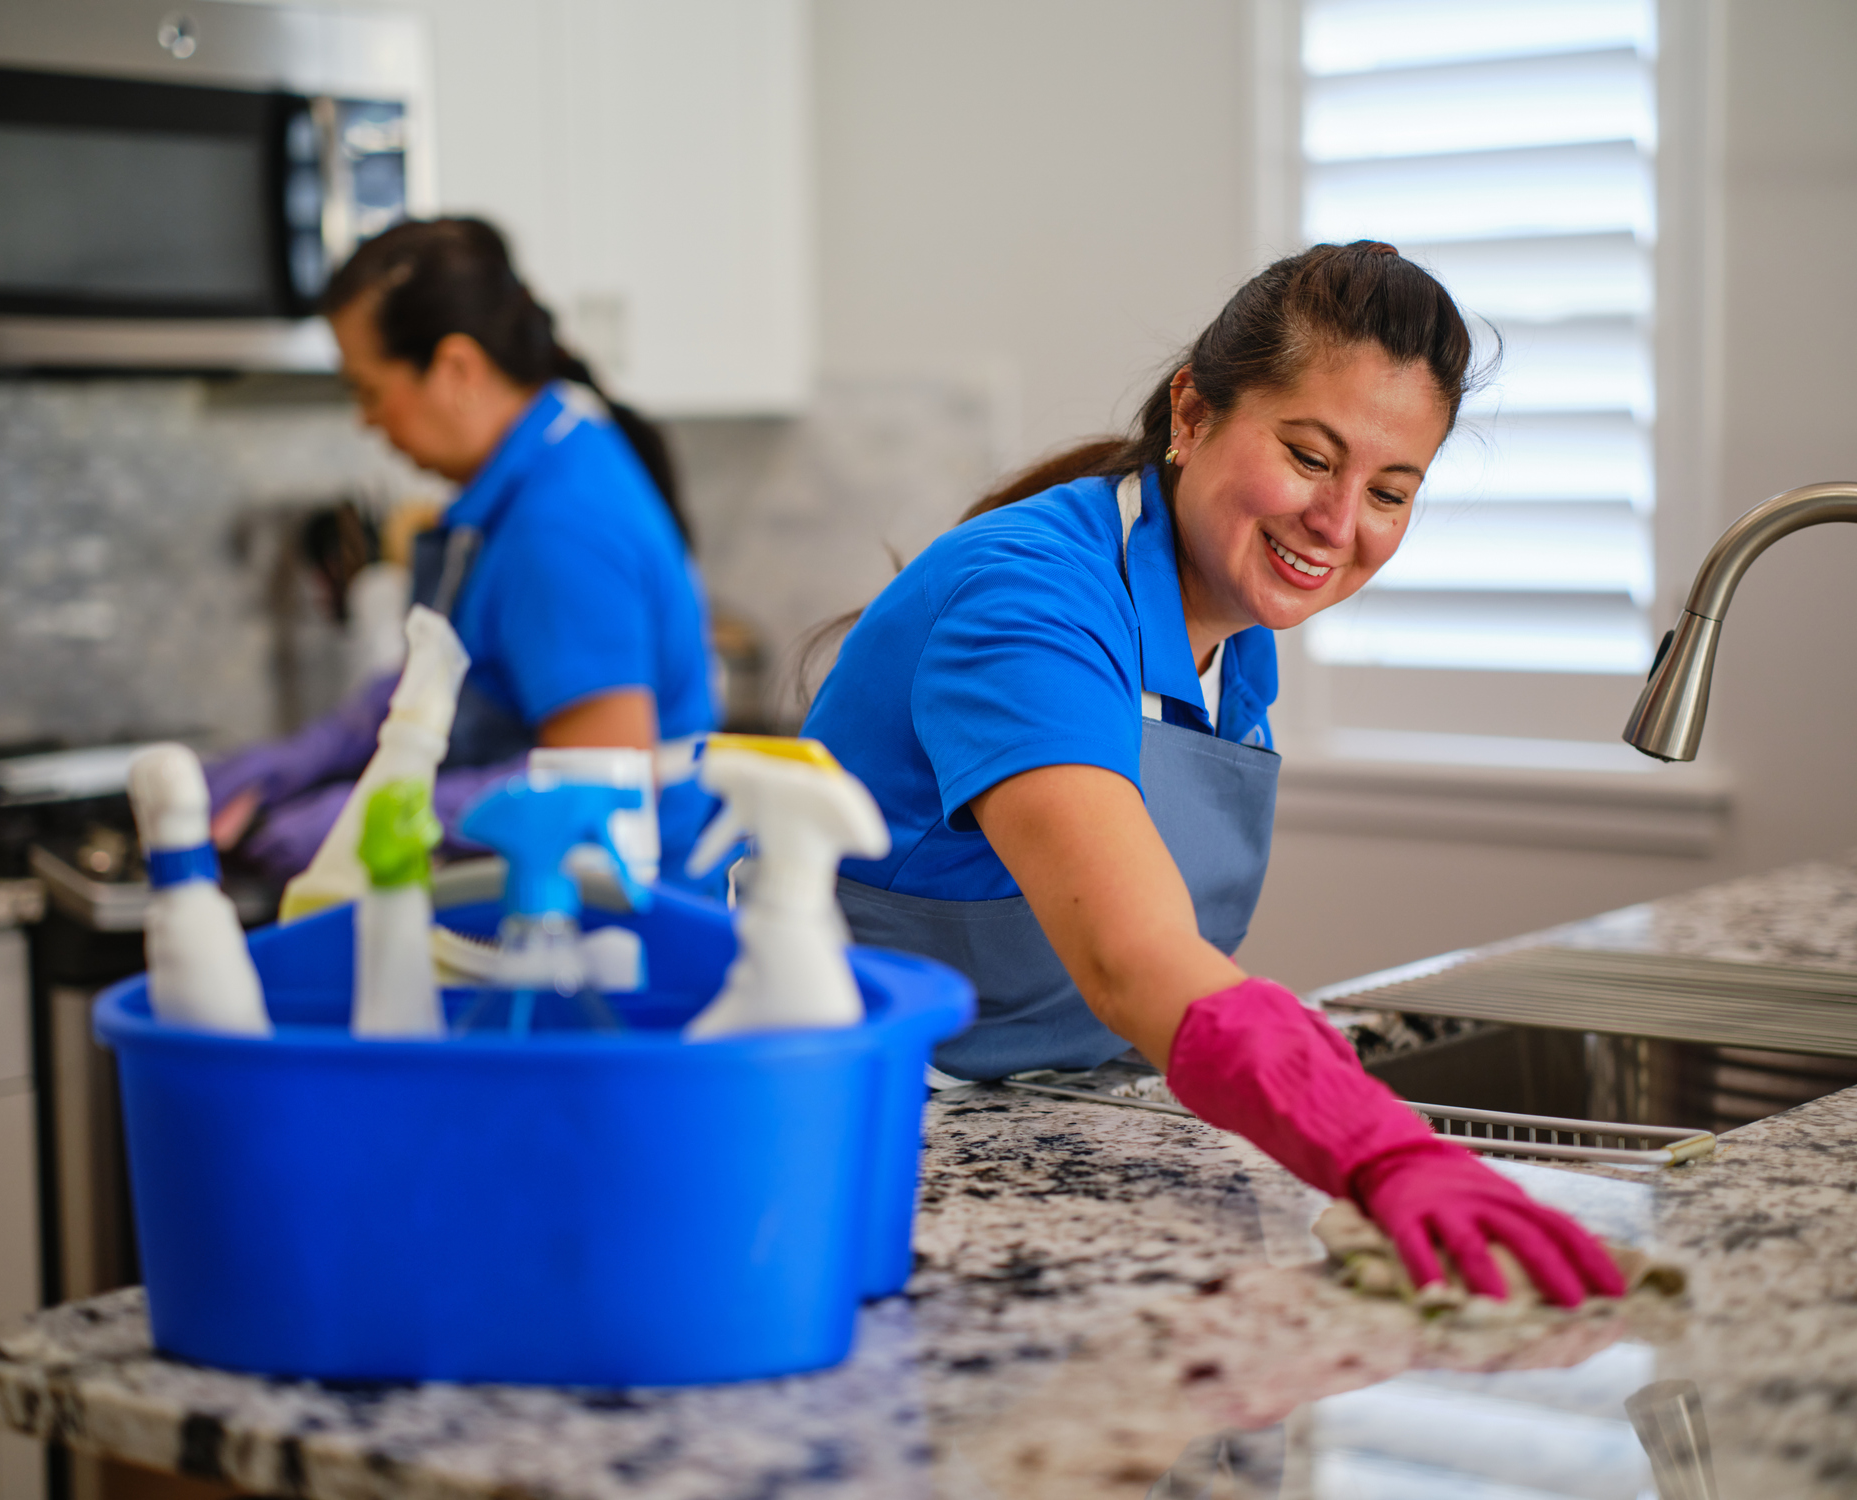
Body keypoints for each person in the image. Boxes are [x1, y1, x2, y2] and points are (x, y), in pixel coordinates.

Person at [801, 242, 1626, 1307]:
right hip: (864, 1136)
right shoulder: (1028, 602)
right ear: (1191, 414)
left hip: (1051, 1119)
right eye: (1310, 456)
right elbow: (1131, 956)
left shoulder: (1230, 632)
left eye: (1389, 491)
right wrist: (1380, 1149)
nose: (1338, 525)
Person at [206, 219, 717, 888]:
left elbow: (596, 778)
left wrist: (370, 815)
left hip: (616, 915)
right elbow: (458, 679)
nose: (366, 420)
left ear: (456, 369)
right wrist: (309, 757)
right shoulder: (528, 478)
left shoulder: (560, 526)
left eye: (369, 391)